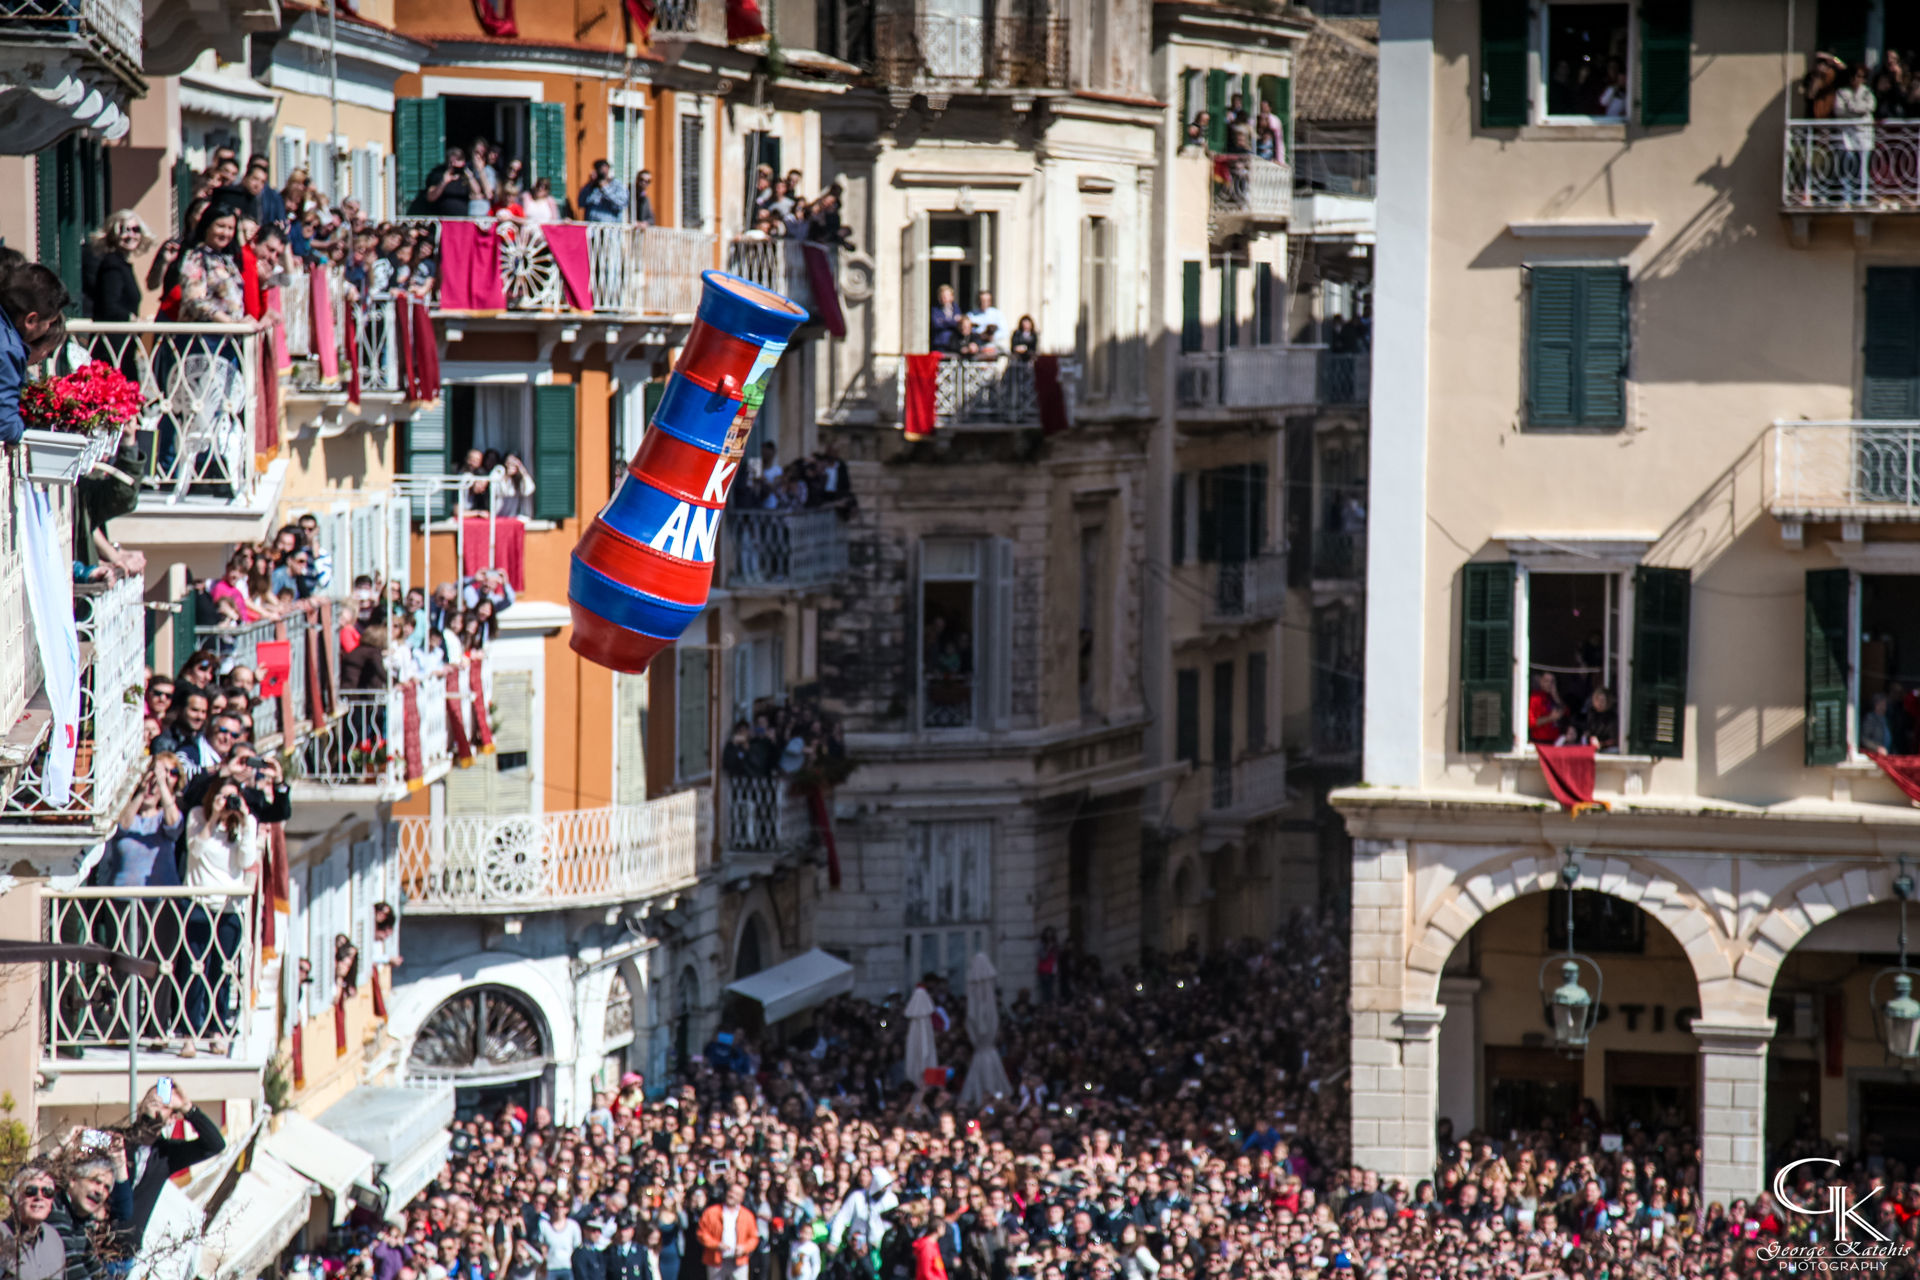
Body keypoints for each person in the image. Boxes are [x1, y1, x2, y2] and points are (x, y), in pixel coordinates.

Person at [180, 777, 260, 1055]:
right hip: (199, 904)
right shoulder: (197, 818)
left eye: (233, 798)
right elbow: (195, 849)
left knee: (222, 972)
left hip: (229, 908)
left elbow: (247, 861)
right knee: (194, 970)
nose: (229, 804)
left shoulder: (245, 824)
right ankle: (189, 1032)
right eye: (223, 798)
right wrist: (214, 817)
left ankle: (218, 1030)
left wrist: (245, 822)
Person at [0, 264, 71, 444]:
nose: (48, 328)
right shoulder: (8, 351)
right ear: (31, 320)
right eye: (49, 322)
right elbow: (5, 424)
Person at [101, 755, 185, 887]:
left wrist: (162, 783)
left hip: (161, 900)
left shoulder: (164, 816)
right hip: (122, 899)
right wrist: (142, 791)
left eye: (155, 784)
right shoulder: (127, 813)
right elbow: (121, 826)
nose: (152, 788)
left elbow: (174, 825)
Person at [81, 210, 150, 324]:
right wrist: (133, 319)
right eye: (124, 230)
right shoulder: (112, 264)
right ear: (114, 234)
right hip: (114, 338)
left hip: (123, 337)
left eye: (135, 230)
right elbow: (109, 307)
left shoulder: (121, 263)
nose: (130, 235)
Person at [0, 1163, 65, 1280]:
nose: (39, 1197)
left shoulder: (55, 1239)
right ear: (12, 1200)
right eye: (30, 1190)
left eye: (47, 1192)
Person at [698, 1184, 758, 1280]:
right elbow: (701, 1234)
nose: (732, 1195)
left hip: (739, 1262)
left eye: (737, 1194)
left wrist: (744, 1248)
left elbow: (754, 1238)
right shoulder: (711, 1212)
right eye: (731, 1191)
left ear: (742, 1199)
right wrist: (716, 1245)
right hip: (715, 1261)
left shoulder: (747, 1215)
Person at [423, 146, 478, 218]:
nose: (454, 166)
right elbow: (430, 197)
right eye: (451, 163)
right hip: (443, 220)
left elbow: (477, 193)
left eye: (457, 162)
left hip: (463, 220)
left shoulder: (467, 175)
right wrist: (443, 182)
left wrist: (470, 177)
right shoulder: (439, 173)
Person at [930, 285, 961, 354]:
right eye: (941, 296)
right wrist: (953, 321)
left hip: (954, 343)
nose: (943, 298)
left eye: (945, 296)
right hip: (940, 343)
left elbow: (959, 324)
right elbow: (936, 324)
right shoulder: (935, 310)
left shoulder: (956, 309)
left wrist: (943, 321)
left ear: (951, 297)